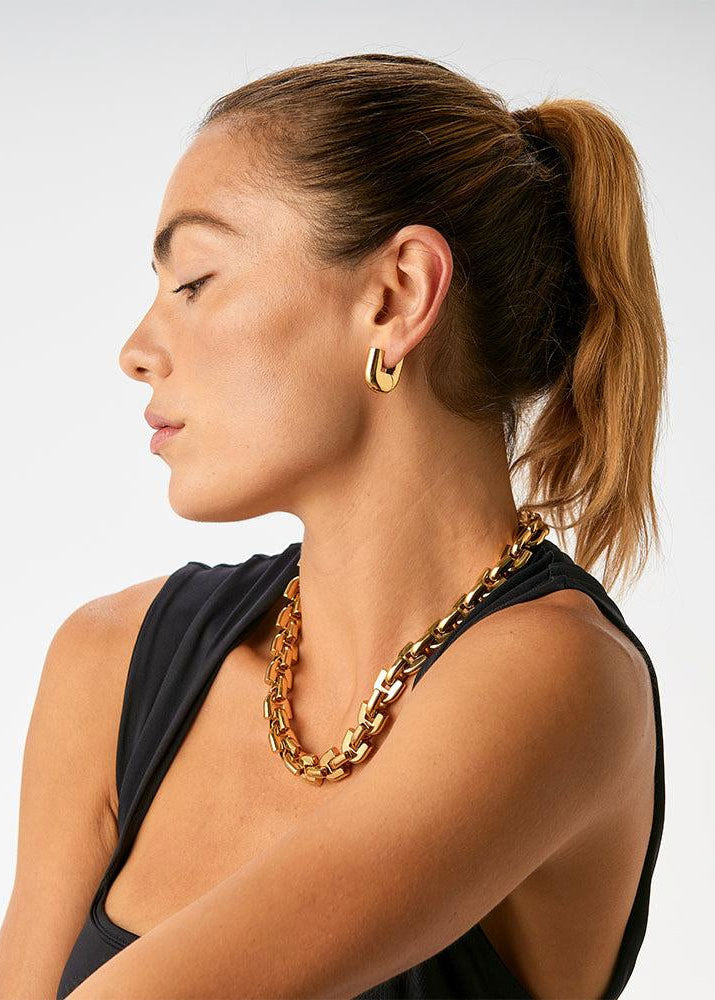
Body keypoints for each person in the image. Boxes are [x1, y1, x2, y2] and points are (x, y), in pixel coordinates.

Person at [0, 53, 666, 1000]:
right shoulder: (108, 665)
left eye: (194, 281)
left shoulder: (559, 682)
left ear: (396, 297)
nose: (136, 351)